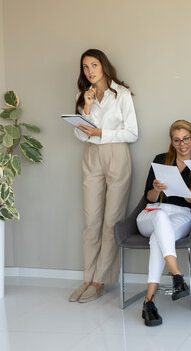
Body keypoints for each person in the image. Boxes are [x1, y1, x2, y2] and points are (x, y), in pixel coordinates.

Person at [69, 49, 138, 303]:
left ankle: (99, 280)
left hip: (117, 154)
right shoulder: (82, 95)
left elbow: (132, 133)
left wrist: (101, 133)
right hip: (91, 156)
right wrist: (86, 106)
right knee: (91, 221)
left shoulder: (121, 94)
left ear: (104, 66)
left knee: (111, 221)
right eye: (85, 67)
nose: (90, 71)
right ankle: (87, 278)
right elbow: (79, 134)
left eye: (94, 65)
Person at [137, 120, 191, 326]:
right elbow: (149, 197)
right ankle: (176, 275)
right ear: (171, 142)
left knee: (159, 238)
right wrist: (157, 188)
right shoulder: (161, 160)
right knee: (159, 218)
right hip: (153, 213)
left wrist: (182, 188)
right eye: (177, 140)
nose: (182, 144)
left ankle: (149, 302)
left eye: (186, 139)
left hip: (181, 215)